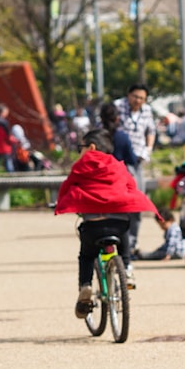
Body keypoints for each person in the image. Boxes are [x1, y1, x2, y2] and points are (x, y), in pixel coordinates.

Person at [54, 128, 158, 318]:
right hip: (117, 224)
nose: (80, 152)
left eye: (81, 147)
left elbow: (67, 186)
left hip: (92, 225)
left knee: (86, 255)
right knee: (124, 230)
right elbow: (131, 186)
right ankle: (126, 268)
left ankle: (85, 286)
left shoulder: (81, 166)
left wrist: (60, 203)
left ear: (91, 147)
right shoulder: (118, 165)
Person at [114, 83, 157, 253]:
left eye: (142, 98)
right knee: (121, 203)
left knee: (138, 202)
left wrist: (148, 149)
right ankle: (120, 241)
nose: (138, 101)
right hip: (120, 161)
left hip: (138, 160)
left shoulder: (146, 110)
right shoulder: (117, 107)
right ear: (128, 95)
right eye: (135, 97)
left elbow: (151, 130)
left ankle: (132, 242)